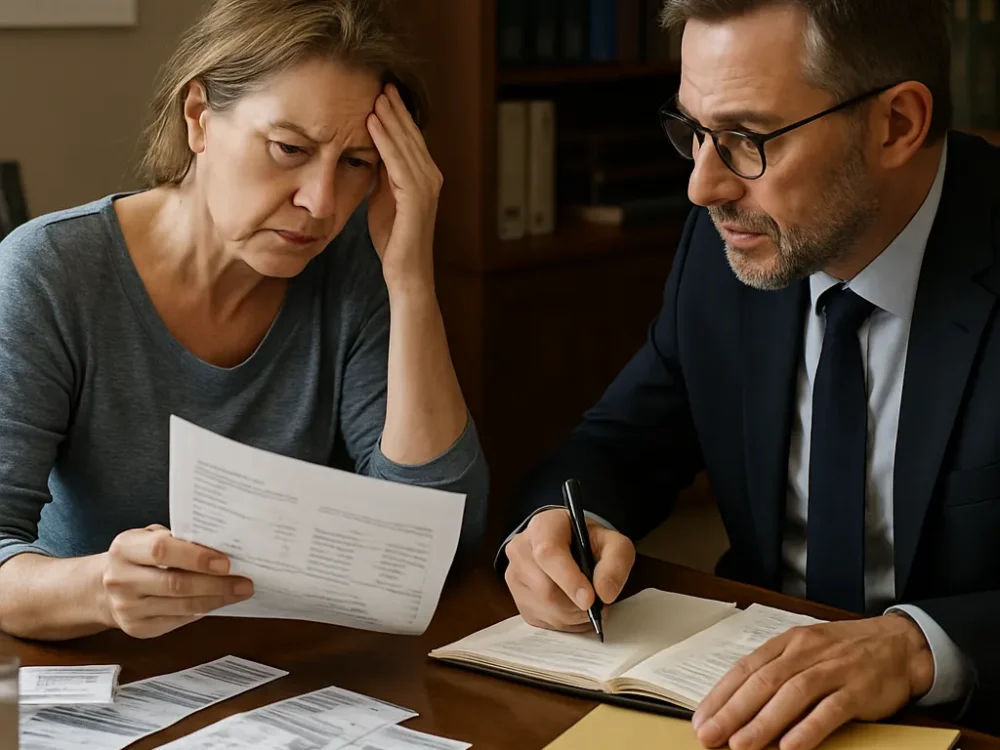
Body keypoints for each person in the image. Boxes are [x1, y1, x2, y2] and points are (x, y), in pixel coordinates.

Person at [501, 0, 1000, 746]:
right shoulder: (733, 245)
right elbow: (622, 442)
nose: (703, 187)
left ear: (897, 124)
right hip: (743, 706)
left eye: (746, 139)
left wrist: (918, 647)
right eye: (695, 132)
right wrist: (560, 527)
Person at [0, 0, 488, 643]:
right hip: (97, 666)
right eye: (289, 148)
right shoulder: (49, 271)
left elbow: (439, 538)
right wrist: (100, 589)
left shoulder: (357, 268)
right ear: (199, 118)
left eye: (356, 162)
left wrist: (411, 282)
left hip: (289, 668)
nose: (320, 202)